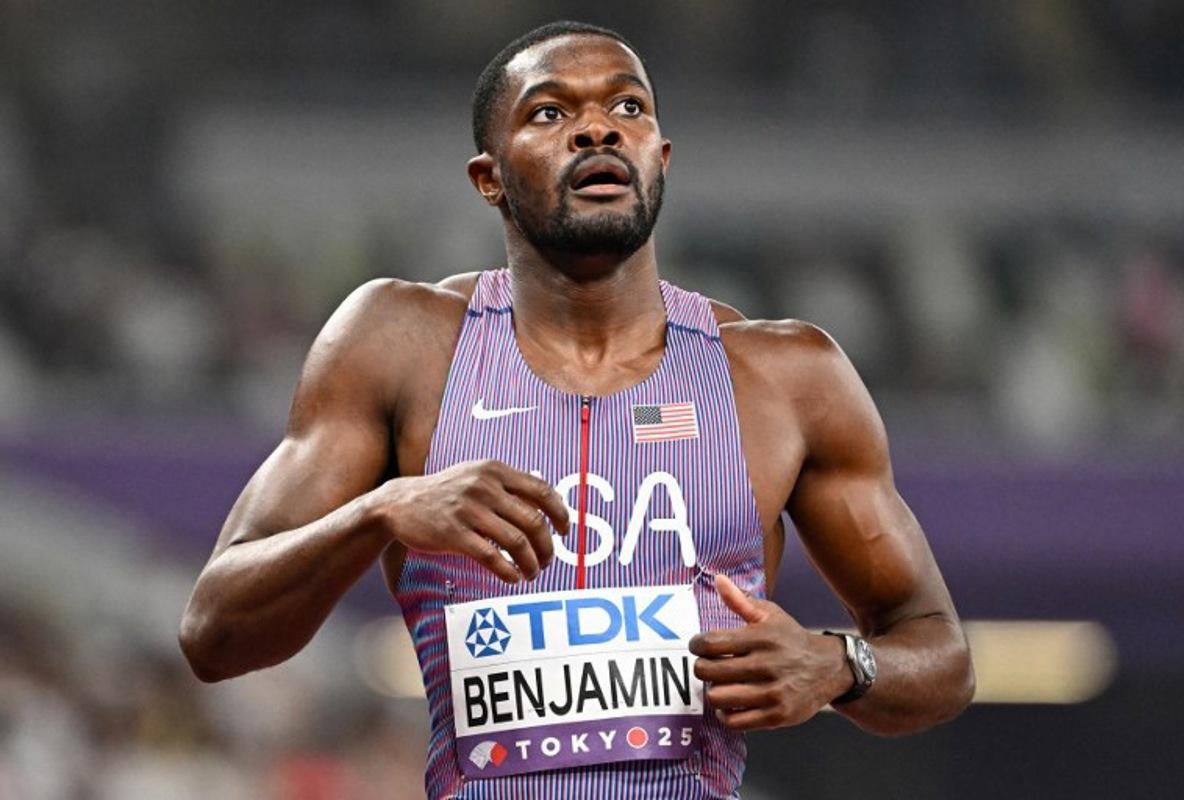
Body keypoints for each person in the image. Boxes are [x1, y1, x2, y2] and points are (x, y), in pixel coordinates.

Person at [179, 20, 974, 799]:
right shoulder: (400, 345)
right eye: (550, 112)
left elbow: (940, 654)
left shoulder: (788, 377)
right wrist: (384, 510)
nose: (598, 128)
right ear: (488, 177)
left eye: (628, 108)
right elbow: (214, 631)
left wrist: (839, 665)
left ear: (659, 160)